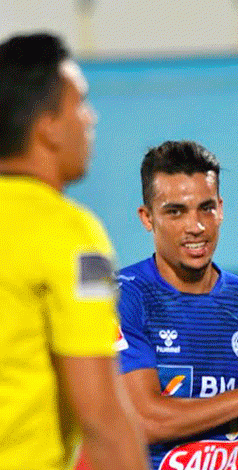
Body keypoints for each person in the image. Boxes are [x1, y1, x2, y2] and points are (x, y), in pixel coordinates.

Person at [0, 33, 148, 470]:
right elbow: (102, 415)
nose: (91, 118)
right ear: (46, 125)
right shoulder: (76, 235)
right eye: (80, 103)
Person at [116, 141, 238, 470]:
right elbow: (146, 420)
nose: (196, 226)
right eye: (176, 211)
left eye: (206, 208)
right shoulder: (126, 297)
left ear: (221, 208)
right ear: (147, 217)